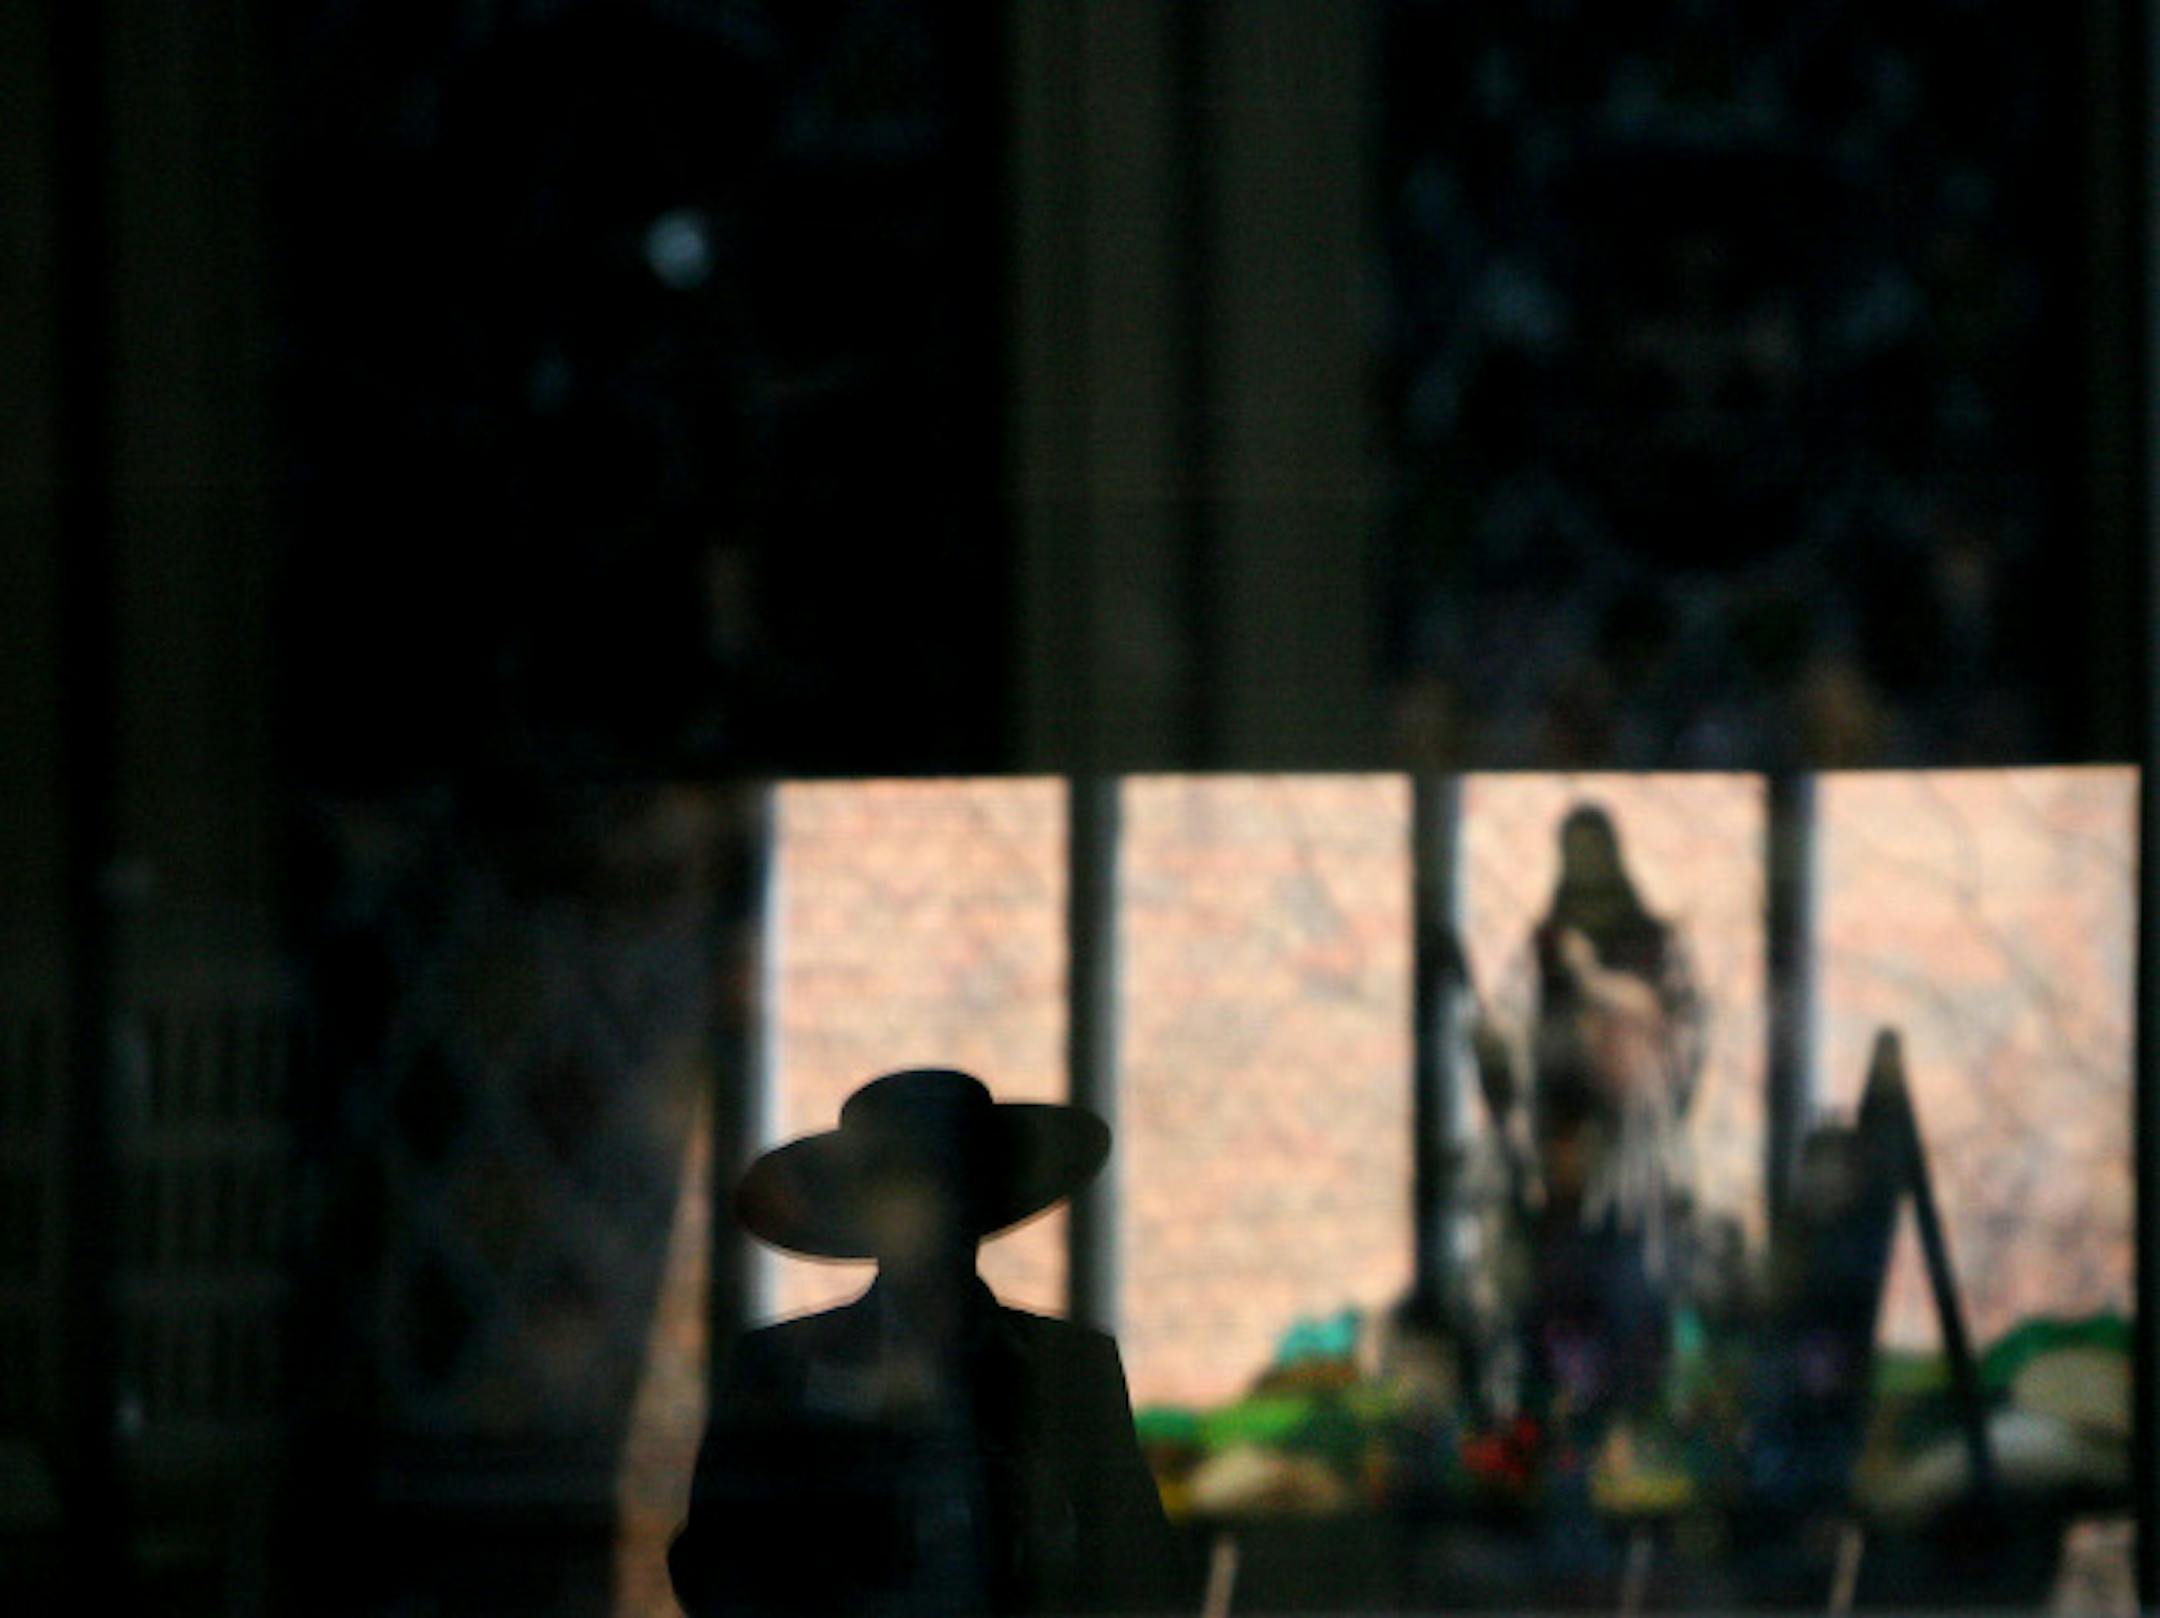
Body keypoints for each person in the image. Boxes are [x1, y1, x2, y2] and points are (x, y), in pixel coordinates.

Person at [668, 1068, 1187, 1618]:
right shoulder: (779, 1371)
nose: (933, 1216)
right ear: (864, 1210)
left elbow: (1142, 1573)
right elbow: (717, 1571)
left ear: (984, 1198)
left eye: (953, 1185)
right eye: (907, 1191)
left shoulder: (1073, 1368)